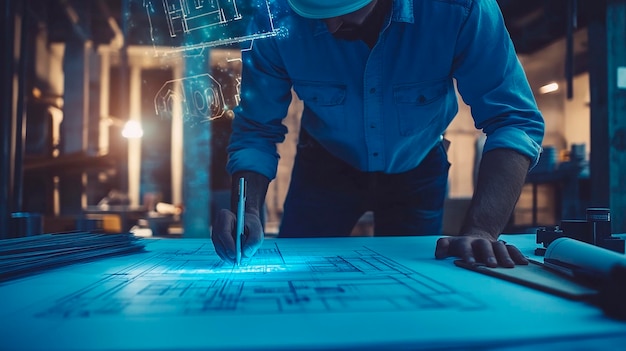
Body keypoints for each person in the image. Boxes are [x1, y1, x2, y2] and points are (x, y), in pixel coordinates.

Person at [212, 0, 545, 268]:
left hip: (418, 166)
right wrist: (248, 209)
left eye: (341, 10)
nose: (329, 25)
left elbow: (513, 119)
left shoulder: (460, 9)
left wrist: (483, 229)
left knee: (414, 285)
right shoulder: (275, 18)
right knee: (295, 280)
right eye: (313, 11)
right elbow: (256, 128)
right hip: (323, 166)